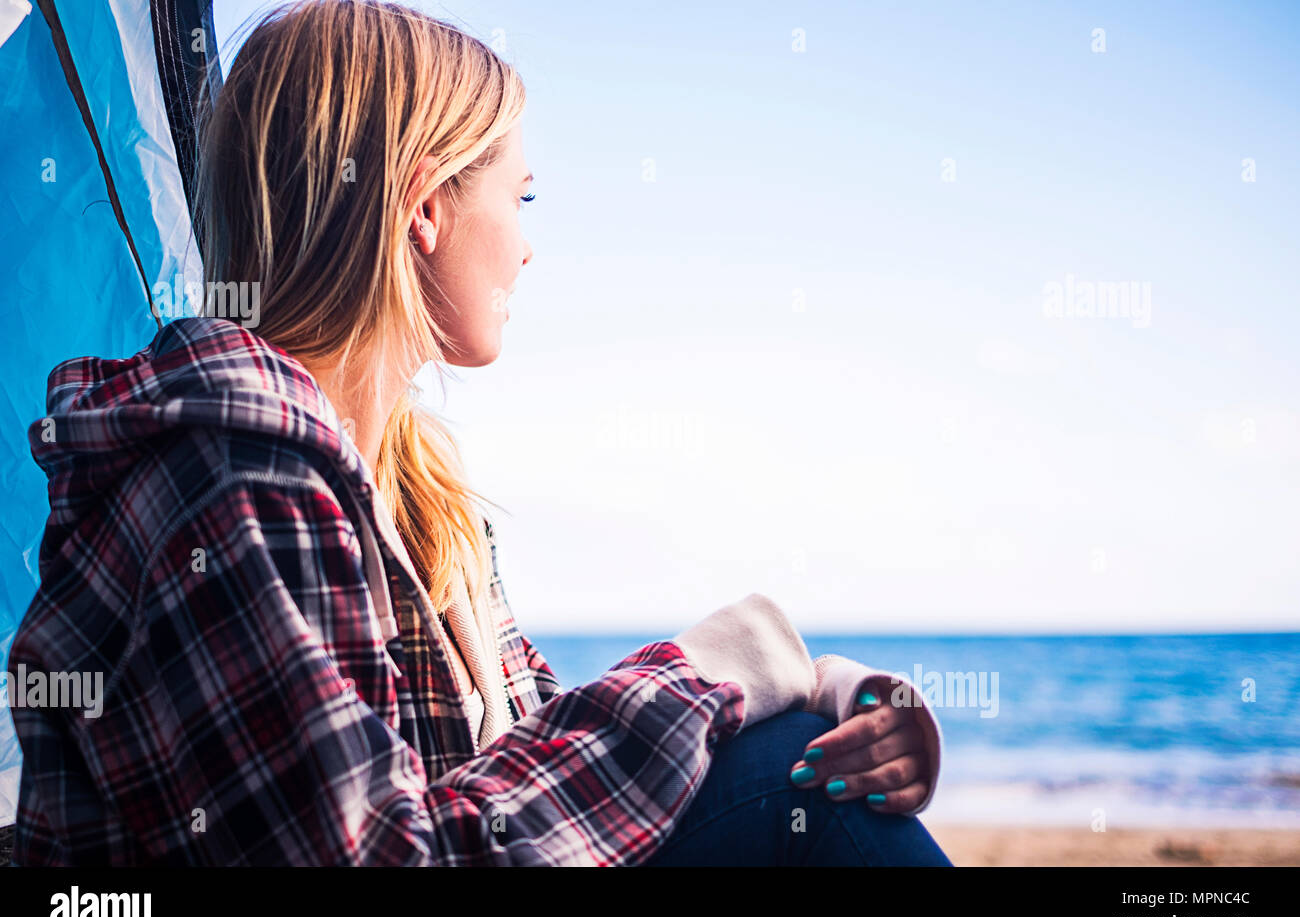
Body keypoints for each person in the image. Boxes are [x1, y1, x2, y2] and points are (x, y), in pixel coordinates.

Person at [9, 0, 950, 866]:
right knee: (814, 806)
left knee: (800, 767)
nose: (530, 244)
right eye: (522, 197)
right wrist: (716, 665)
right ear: (423, 208)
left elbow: (539, 739)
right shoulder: (229, 469)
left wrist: (816, 688)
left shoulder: (415, 489)